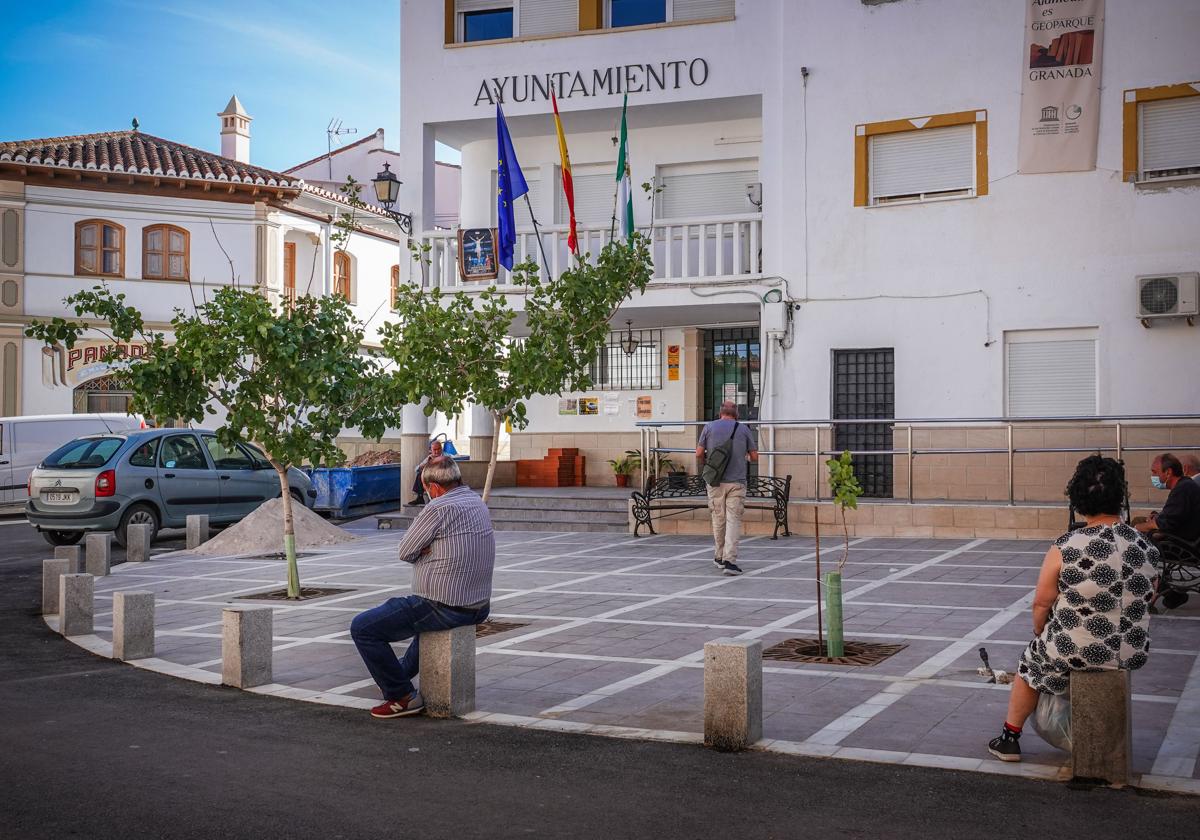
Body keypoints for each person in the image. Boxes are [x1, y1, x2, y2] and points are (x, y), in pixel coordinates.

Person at [988, 456, 1158, 762]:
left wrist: (1040, 630)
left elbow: (1041, 602)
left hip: (1075, 649)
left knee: (1030, 664)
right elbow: (1150, 595)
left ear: (1078, 499)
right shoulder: (1145, 546)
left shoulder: (1067, 545)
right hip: (1131, 650)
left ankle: (1009, 738)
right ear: (1120, 499)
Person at [351, 456, 494, 719]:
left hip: (442, 605)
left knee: (363, 627)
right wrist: (432, 549)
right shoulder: (476, 501)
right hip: (478, 605)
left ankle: (401, 696)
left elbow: (405, 551)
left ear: (434, 488)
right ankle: (400, 679)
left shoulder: (437, 508)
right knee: (419, 626)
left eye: (426, 489)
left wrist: (425, 551)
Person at [696, 401, 758, 576]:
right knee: (733, 520)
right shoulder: (744, 429)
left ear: (720, 413)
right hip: (737, 482)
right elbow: (754, 456)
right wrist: (742, 454)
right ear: (736, 414)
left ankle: (718, 556)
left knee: (718, 518)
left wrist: (708, 464)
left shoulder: (709, 427)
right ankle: (729, 560)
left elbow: (699, 453)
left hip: (714, 481)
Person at [1134, 453, 1200, 543]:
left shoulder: (1183, 489)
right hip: (1180, 538)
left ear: (1168, 472)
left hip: (1178, 547)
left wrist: (1136, 528)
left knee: (1136, 525)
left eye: (1155, 472)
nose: (1153, 476)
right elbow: (1172, 517)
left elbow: (1164, 525)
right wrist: (1158, 518)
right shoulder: (1184, 485)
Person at [409, 439, 443, 505]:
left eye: (438, 449)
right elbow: (416, 469)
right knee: (420, 474)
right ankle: (420, 497)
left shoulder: (446, 457)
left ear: (441, 449)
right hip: (431, 478)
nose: (436, 452)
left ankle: (434, 499)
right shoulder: (429, 458)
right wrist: (426, 463)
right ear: (431, 450)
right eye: (434, 450)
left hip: (442, 478)